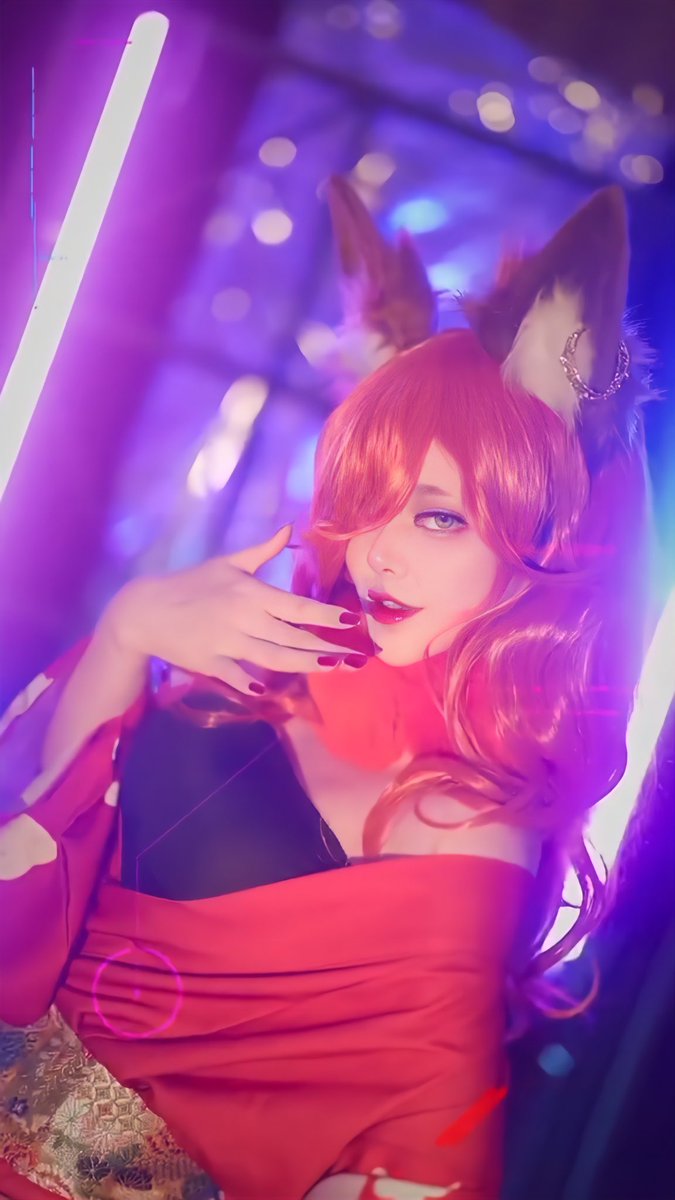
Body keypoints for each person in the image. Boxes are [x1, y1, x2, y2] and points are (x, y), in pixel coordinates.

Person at [0, 177, 659, 1200]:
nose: (377, 552)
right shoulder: (282, 656)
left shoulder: (472, 824)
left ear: (545, 538)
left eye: (437, 516)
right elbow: (55, 816)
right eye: (368, 500)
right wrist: (132, 626)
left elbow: (418, 1145)